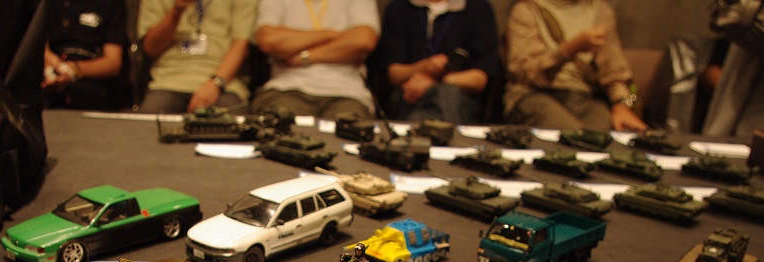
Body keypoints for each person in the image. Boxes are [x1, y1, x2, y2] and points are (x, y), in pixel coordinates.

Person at [503, 0, 647, 132]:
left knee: (610, 137)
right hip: (533, 95)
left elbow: (612, 65)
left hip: (582, 96)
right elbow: (525, 73)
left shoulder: (598, 9)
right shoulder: (527, 10)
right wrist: (571, 49)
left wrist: (621, 104)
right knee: (575, 136)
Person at [374, 0, 502, 124]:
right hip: (409, 94)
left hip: (458, 97)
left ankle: (420, 135)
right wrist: (425, 67)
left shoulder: (478, 8)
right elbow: (395, 74)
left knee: (446, 94)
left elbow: (478, 79)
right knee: (413, 102)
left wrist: (437, 81)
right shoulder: (399, 7)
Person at [250, 0, 380, 119]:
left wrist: (304, 57)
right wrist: (331, 34)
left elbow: (363, 40)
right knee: (285, 131)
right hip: (286, 89)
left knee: (349, 131)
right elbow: (269, 40)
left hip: (348, 93)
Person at [137, 0, 257, 114]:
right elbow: (151, 48)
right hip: (169, 80)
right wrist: (177, 11)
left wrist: (216, 83)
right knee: (148, 120)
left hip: (225, 82)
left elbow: (242, 45)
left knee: (232, 118)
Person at [43, 0, 128, 110]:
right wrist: (51, 65)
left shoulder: (110, 3)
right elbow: (38, 46)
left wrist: (72, 70)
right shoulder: (44, 5)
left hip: (93, 87)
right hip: (50, 79)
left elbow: (113, 63)